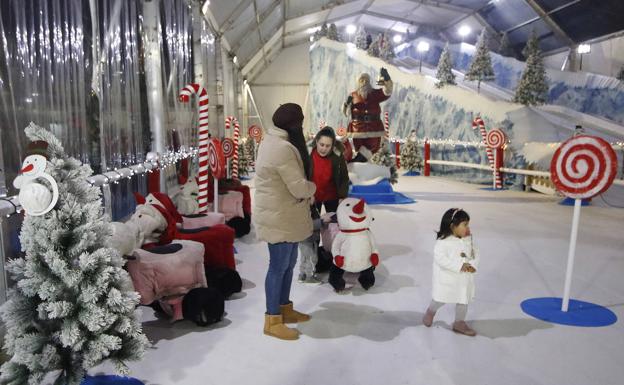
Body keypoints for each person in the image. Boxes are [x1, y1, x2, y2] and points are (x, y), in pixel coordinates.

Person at [253, 103, 317, 340]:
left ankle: (284, 309)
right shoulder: (281, 148)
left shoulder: (275, 141)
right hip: (278, 216)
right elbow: (298, 187)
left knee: (288, 264)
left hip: (284, 215)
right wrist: (313, 188)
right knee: (278, 267)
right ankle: (272, 320)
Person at [422, 208, 479, 336]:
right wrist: (460, 266)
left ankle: (459, 322)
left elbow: (475, 254)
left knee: (463, 300)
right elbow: (440, 259)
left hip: (464, 279)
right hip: (448, 279)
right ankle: (431, 311)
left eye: (467, 224)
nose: (467, 228)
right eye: (464, 225)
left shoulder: (467, 240)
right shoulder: (443, 242)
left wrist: (473, 265)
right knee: (440, 299)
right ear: (453, 226)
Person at [341, 68, 393, 161]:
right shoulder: (353, 95)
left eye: (366, 80)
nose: (364, 82)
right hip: (357, 129)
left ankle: (357, 164)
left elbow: (387, 92)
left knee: (371, 149)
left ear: (369, 82)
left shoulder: (375, 94)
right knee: (360, 150)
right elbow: (346, 113)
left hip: (374, 128)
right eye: (362, 80)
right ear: (358, 82)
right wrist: (346, 105)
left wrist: (387, 80)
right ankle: (358, 166)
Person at [310, 126, 350, 214]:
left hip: (331, 195)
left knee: (333, 223)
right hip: (313, 195)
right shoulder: (309, 153)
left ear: (332, 146)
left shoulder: (337, 156)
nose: (324, 149)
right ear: (316, 142)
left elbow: (344, 176)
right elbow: (303, 174)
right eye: (321, 144)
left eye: (328, 146)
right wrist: (307, 194)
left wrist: (343, 196)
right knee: (313, 224)